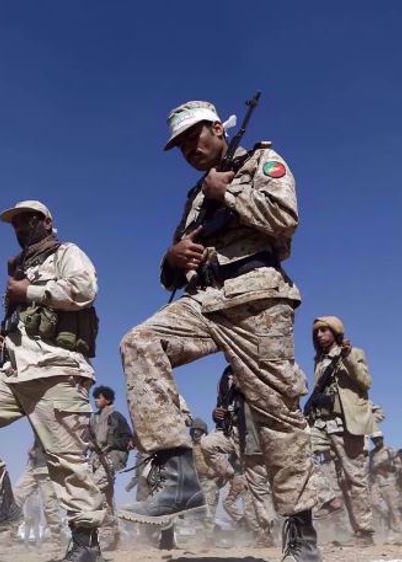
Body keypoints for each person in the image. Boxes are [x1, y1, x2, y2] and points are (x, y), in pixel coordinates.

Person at [118, 100, 320, 562]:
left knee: (277, 416)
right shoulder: (193, 198)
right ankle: (178, 476)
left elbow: (284, 217)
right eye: (182, 145)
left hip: (257, 299)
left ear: (217, 129)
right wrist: (172, 258)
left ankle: (302, 537)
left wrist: (226, 194)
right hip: (205, 302)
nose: (190, 149)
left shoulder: (259, 162)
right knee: (140, 341)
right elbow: (174, 269)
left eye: (195, 137)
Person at [0, 201, 104, 562]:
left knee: (66, 460)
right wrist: (2, 335)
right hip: (16, 370)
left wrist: (30, 292)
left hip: (57, 370)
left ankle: (86, 543)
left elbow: (84, 290)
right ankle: (0, 504)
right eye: (16, 224)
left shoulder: (67, 253)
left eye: (28, 220)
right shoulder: (20, 270)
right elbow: (25, 321)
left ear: (47, 221)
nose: (21, 228)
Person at [304, 316, 377, 544]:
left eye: (324, 330)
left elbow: (365, 382)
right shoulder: (320, 361)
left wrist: (347, 359)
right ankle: (328, 498)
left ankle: (364, 531)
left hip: (346, 422)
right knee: (300, 454)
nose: (319, 335)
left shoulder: (354, 353)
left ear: (336, 332)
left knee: (353, 478)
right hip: (322, 423)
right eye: (317, 331)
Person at [200, 367, 275, 547]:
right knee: (207, 444)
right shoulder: (225, 375)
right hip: (229, 431)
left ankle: (266, 532)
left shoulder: (253, 367)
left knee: (256, 486)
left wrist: (246, 386)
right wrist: (217, 414)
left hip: (251, 433)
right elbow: (222, 406)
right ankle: (234, 476)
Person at [89, 385, 132, 551]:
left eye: (98, 397)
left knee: (94, 489)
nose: (95, 400)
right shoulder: (94, 419)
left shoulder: (116, 417)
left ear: (107, 399)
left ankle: (106, 532)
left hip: (112, 459)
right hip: (96, 460)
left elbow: (127, 439)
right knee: (106, 499)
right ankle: (115, 533)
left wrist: (111, 446)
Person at [14, 437, 64, 549]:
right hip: (33, 465)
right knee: (16, 495)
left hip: (46, 466)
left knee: (49, 505)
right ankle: (10, 533)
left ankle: (57, 540)